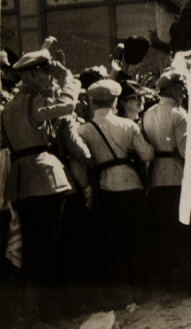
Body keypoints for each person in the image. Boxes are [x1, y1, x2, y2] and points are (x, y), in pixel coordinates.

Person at [1, 49, 86, 324]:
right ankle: (45, 312)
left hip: (20, 180)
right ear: (35, 75)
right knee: (48, 249)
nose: (50, 79)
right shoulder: (33, 100)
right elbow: (66, 108)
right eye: (47, 74)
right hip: (45, 179)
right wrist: (69, 80)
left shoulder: (9, 105)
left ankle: (26, 311)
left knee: (31, 250)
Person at [77, 79, 154, 308]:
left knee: (113, 243)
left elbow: (79, 165)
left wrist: (86, 187)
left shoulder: (84, 130)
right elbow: (147, 154)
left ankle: (119, 295)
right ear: (115, 101)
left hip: (106, 188)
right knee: (136, 241)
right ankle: (139, 291)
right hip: (132, 186)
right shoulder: (128, 125)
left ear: (92, 102)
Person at [140, 70, 189, 291]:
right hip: (177, 176)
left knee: (162, 230)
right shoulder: (179, 115)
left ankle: (163, 277)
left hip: (156, 177)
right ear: (170, 89)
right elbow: (185, 151)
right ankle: (178, 279)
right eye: (181, 87)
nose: (184, 91)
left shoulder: (147, 114)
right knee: (179, 230)